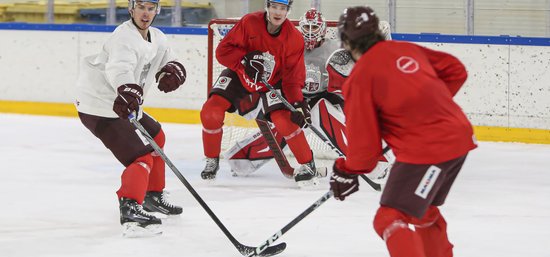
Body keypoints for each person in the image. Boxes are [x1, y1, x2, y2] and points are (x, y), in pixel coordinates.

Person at [329, 6, 477, 257]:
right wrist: (425, 108)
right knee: (423, 210)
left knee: (388, 217)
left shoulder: (360, 78)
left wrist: (345, 170)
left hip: (427, 151)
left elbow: (364, 151)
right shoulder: (405, 48)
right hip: (458, 138)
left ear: (346, 42)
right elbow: (455, 71)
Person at [225, 8, 395, 186]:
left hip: (326, 96)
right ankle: (240, 161)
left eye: (315, 28)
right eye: (308, 28)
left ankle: (374, 163)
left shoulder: (336, 47)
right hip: (296, 98)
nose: (311, 33)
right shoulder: (291, 45)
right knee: (286, 127)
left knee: (322, 111)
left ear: (322, 29)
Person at [75, 0, 186, 237]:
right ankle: (130, 209)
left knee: (156, 136)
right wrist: (127, 89)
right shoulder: (123, 38)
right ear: (131, 9)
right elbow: (119, 68)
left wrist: (172, 70)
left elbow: (168, 59)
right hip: (101, 105)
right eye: (141, 7)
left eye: (150, 8)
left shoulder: (157, 37)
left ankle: (152, 196)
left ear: (157, 11)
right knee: (141, 158)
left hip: (126, 104)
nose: (145, 13)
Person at [200, 0, 317, 185]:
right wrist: (245, 62)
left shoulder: (293, 38)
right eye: (274, 7)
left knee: (284, 120)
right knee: (210, 111)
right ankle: (211, 160)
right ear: (267, 7)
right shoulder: (249, 22)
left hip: (270, 83)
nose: (278, 12)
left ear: (288, 11)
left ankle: (307, 163)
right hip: (240, 74)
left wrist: (297, 104)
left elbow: (292, 78)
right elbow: (222, 52)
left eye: (283, 8)